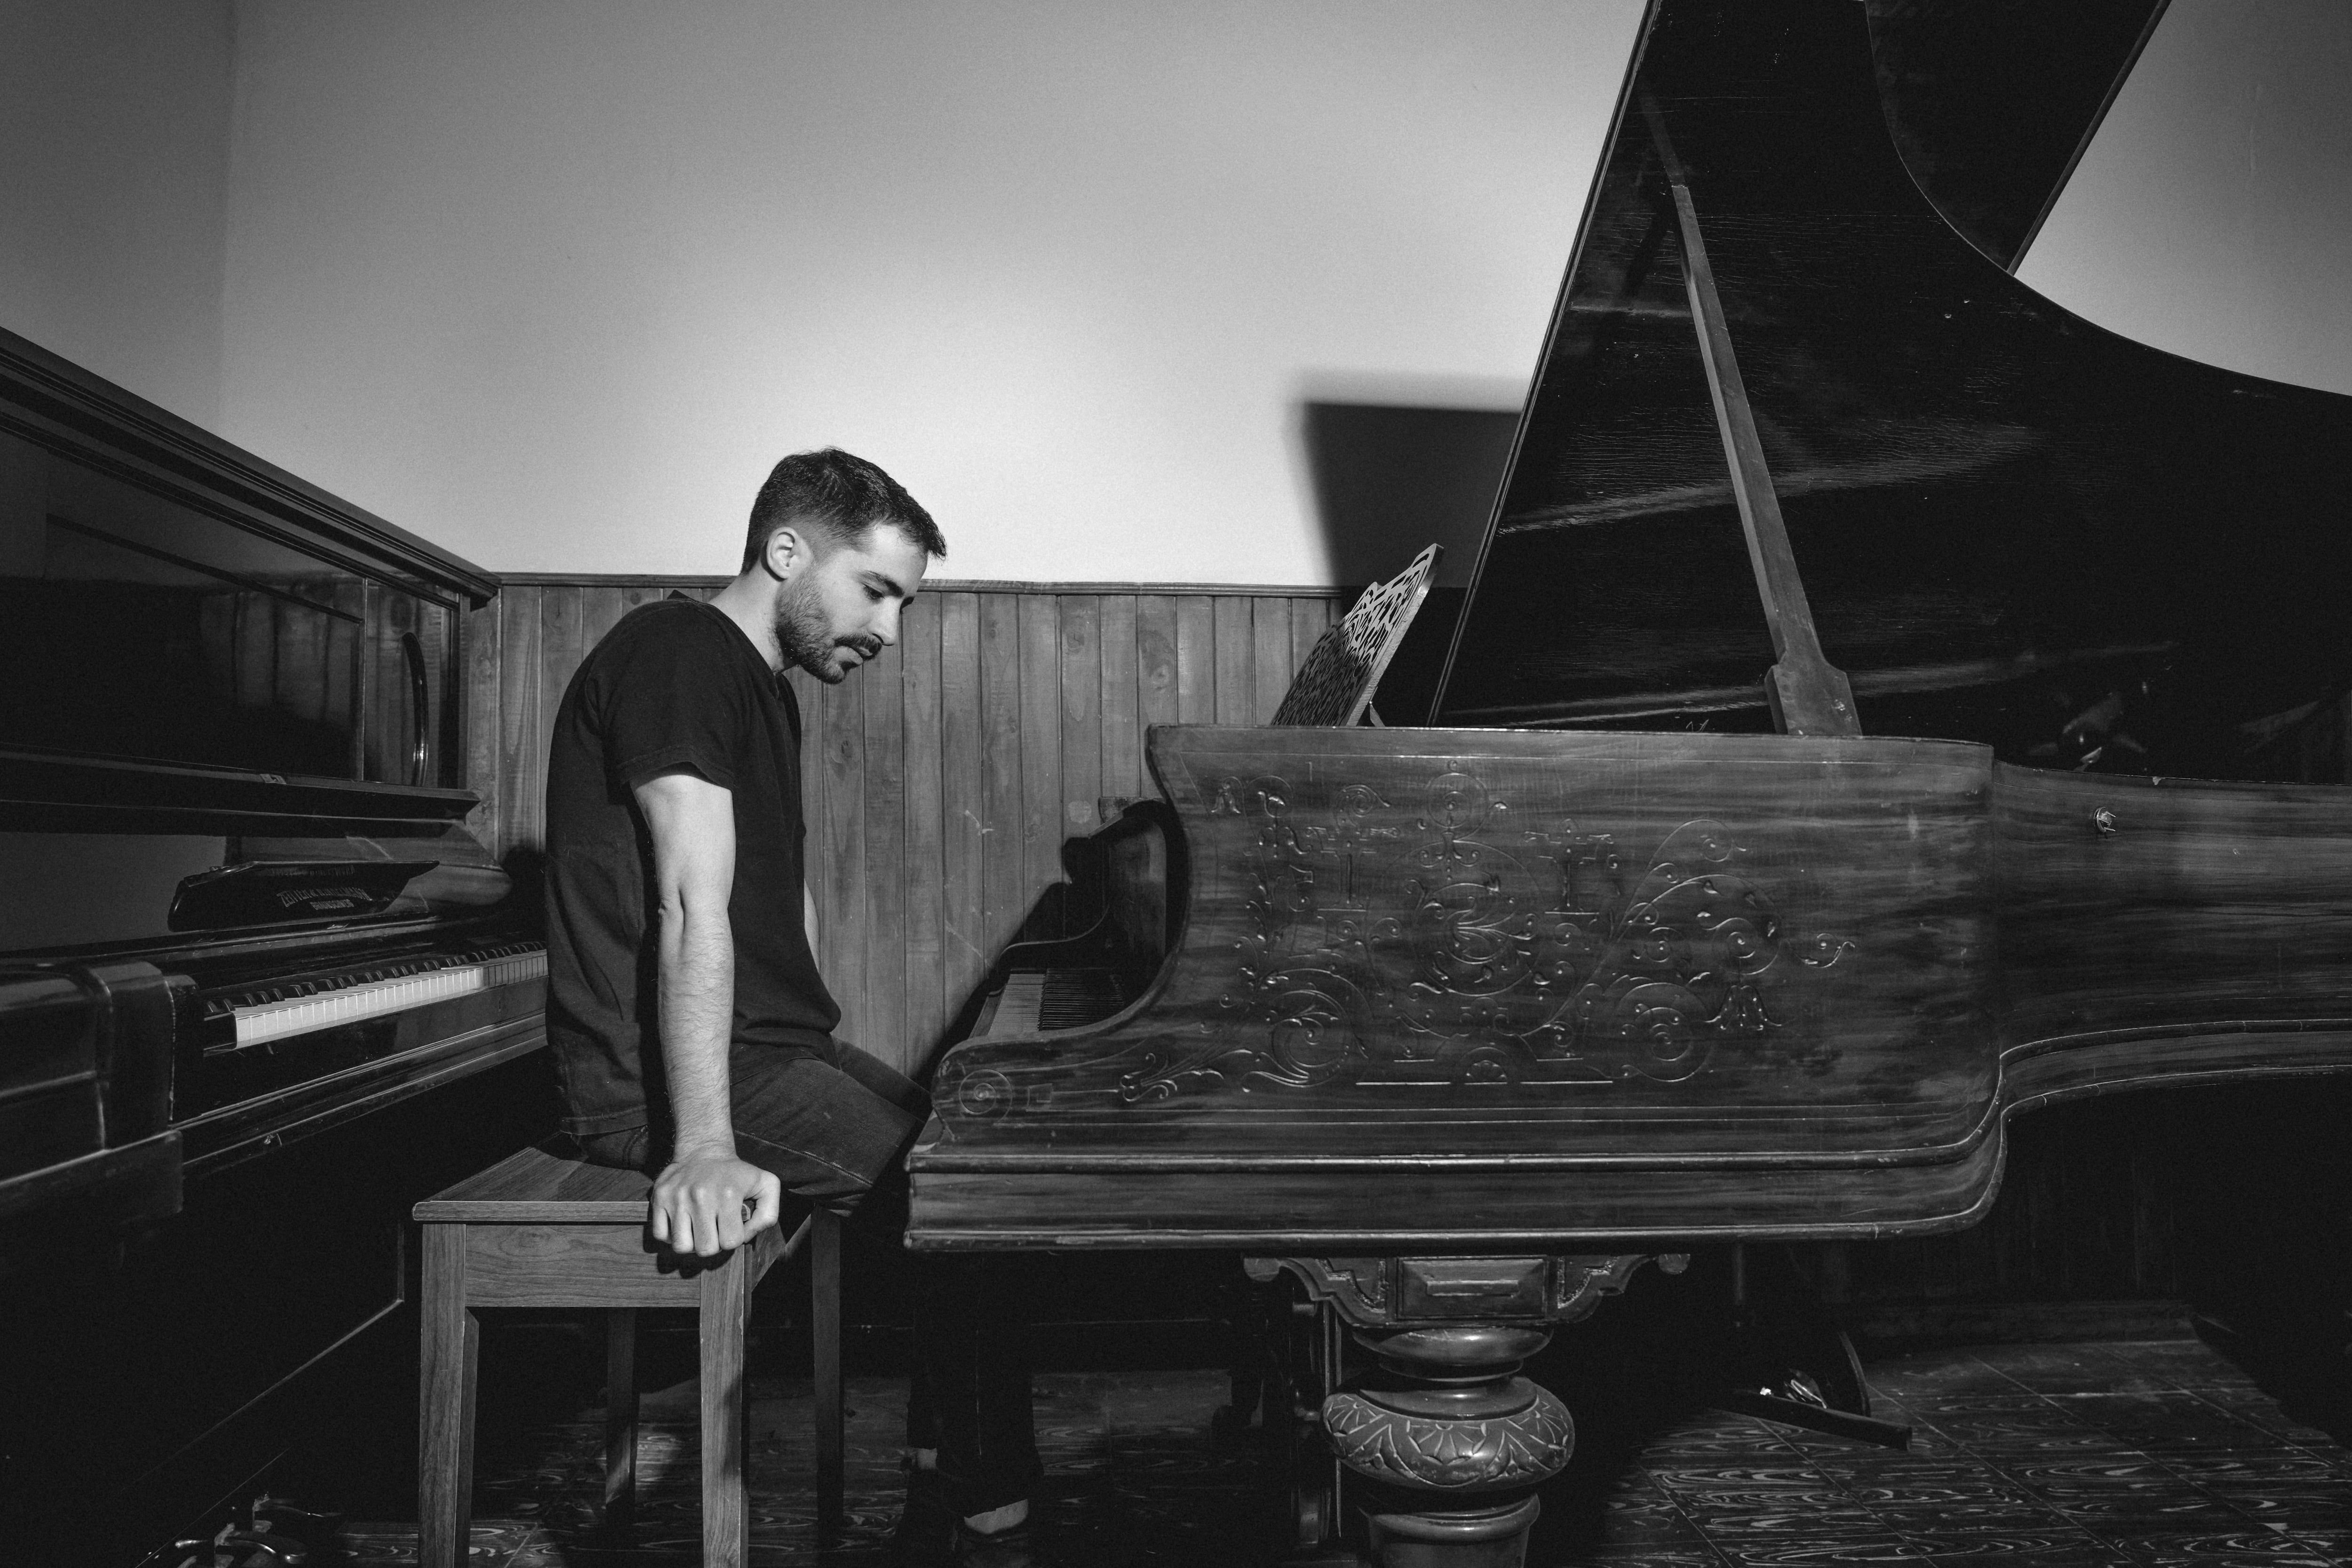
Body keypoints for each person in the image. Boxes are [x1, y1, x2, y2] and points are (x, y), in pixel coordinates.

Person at [541, 447, 1038, 1563]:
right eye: (877, 590)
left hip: (761, 1049)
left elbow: (777, 896)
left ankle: (944, 1483)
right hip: (657, 1084)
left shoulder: (755, 680)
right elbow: (687, 896)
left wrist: (821, 1047)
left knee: (977, 1174)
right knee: (971, 1206)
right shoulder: (675, 652)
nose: (888, 629)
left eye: (903, 601)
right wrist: (702, 1143)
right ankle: (988, 1520)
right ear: (785, 552)